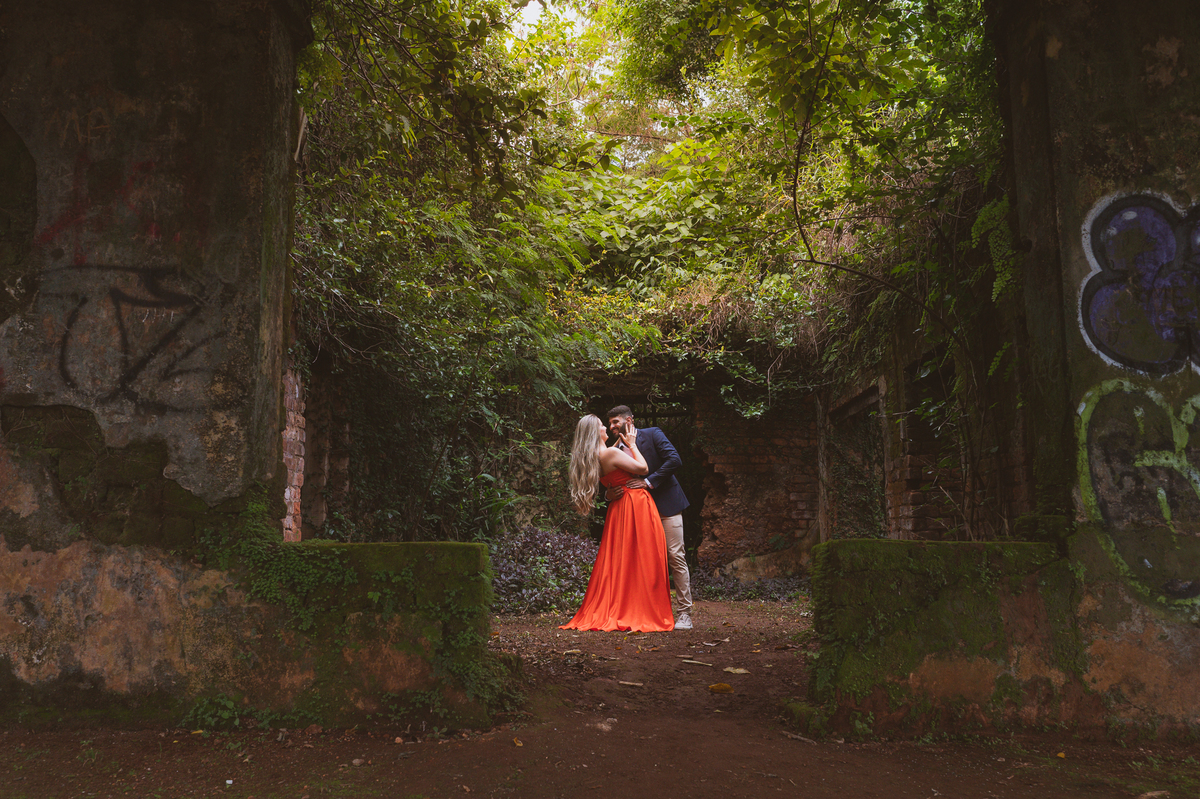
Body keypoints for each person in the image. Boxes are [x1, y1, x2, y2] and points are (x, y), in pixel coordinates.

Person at [560, 414, 674, 632]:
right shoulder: (611, 453)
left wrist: (608, 494)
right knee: (645, 558)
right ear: (595, 433)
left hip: (618, 509)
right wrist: (632, 444)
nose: (605, 427)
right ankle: (640, 608)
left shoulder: (594, 458)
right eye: (602, 425)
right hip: (635, 505)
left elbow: (611, 482)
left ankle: (621, 604)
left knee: (620, 561)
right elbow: (643, 469)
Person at [604, 405, 694, 631]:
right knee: (641, 562)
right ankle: (647, 611)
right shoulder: (612, 449)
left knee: (675, 555)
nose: (612, 426)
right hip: (635, 513)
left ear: (630, 420)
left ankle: (685, 614)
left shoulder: (653, 433)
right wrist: (607, 493)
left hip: (666, 505)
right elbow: (608, 478)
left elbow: (674, 460)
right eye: (610, 423)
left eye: (616, 421)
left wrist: (648, 481)